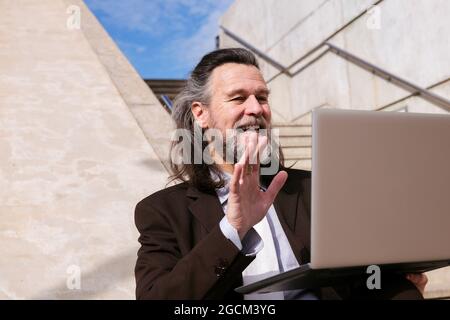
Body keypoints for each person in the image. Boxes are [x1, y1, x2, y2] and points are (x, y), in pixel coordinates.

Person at [134, 48, 428, 300]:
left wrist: (394, 280)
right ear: (201, 114)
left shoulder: (312, 188)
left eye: (262, 97)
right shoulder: (162, 211)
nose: (255, 109)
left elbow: (361, 275)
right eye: (238, 98)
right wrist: (233, 229)